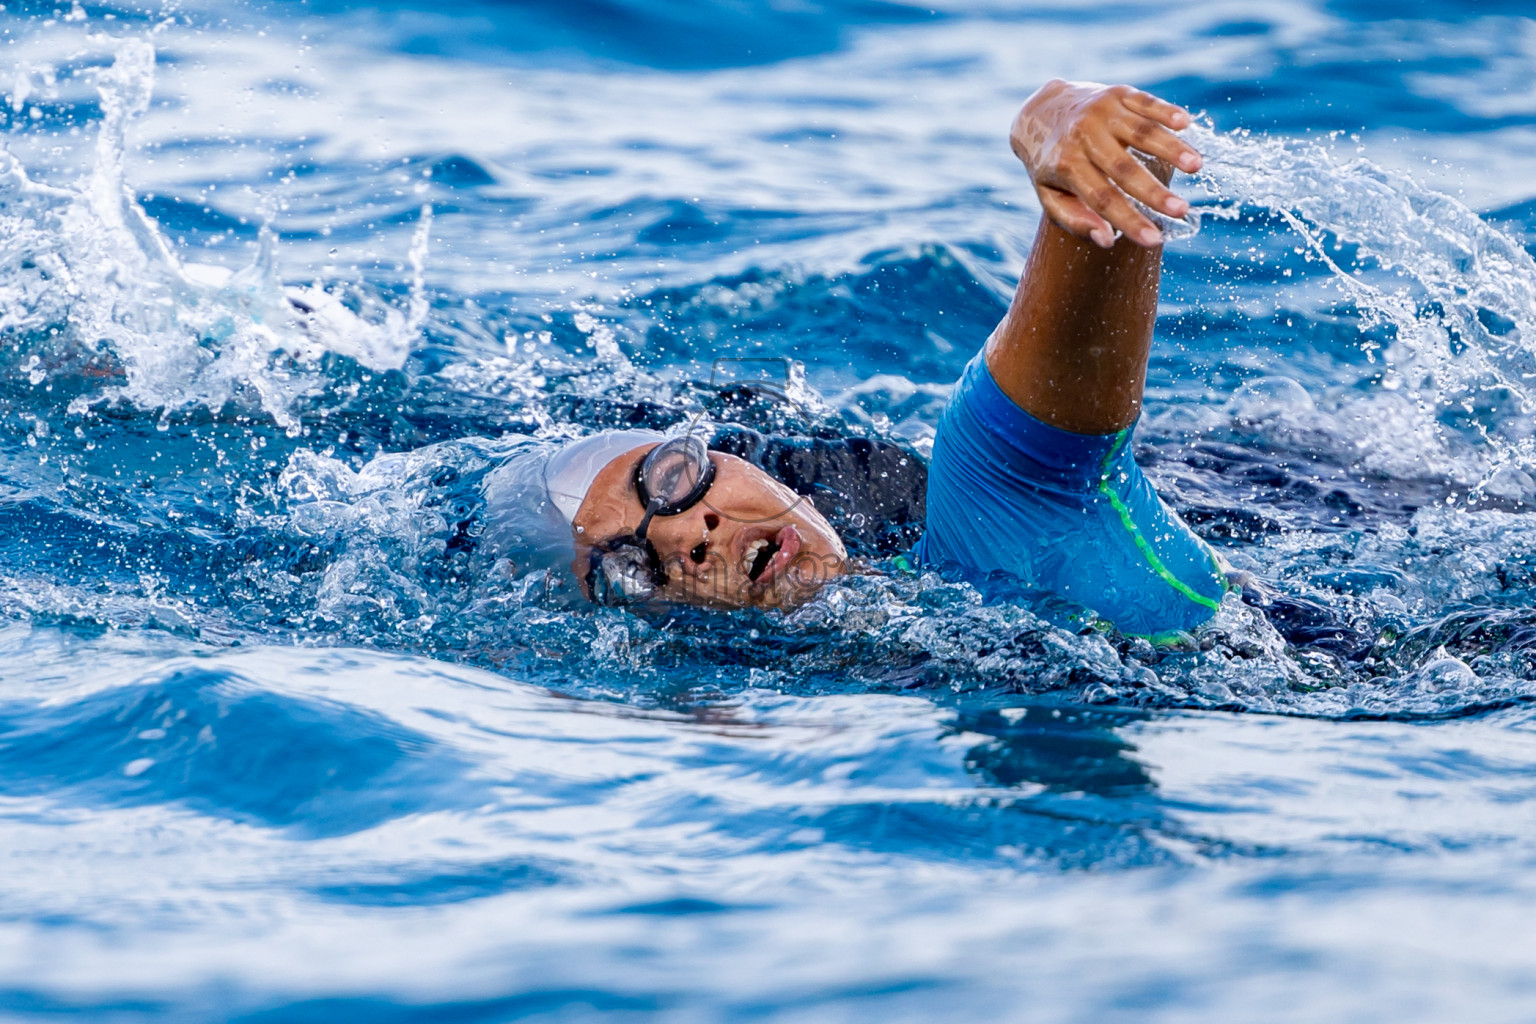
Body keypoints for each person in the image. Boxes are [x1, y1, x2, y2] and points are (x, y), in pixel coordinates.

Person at [496, 80, 1230, 639]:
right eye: (631, 570)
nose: (693, 536)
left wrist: (1069, 130)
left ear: (741, 459)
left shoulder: (997, 538)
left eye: (671, 478)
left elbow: (1025, 445)